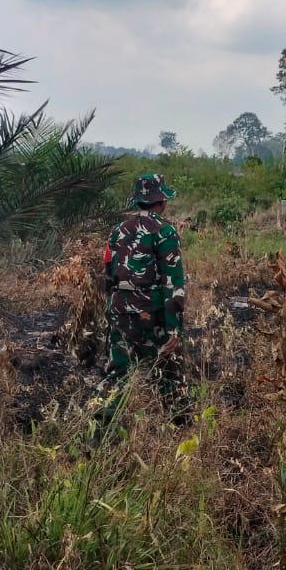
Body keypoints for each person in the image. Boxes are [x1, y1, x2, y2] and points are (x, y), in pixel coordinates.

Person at [102, 173, 187, 417]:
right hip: (152, 314)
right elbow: (173, 283)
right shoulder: (165, 232)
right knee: (169, 371)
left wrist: (115, 306)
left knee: (117, 373)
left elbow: (109, 272)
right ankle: (178, 426)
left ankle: (98, 427)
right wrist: (175, 328)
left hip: (119, 310)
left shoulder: (117, 231)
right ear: (161, 201)